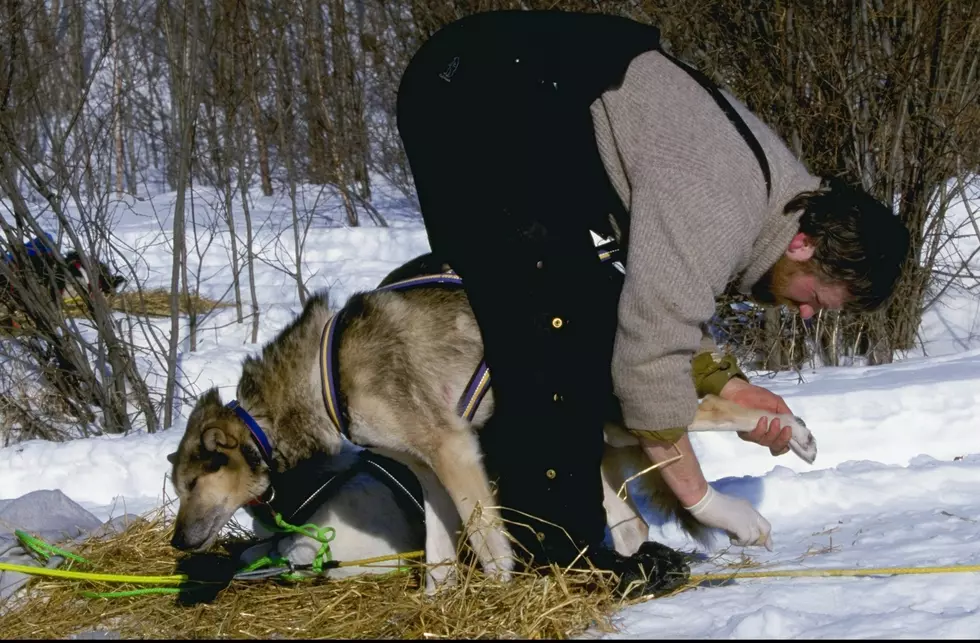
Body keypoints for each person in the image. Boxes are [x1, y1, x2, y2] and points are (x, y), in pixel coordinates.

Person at [393, 9, 911, 594]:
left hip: (510, 92)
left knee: (574, 306)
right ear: (802, 243)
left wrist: (728, 385)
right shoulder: (721, 201)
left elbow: (661, 292)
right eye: (817, 297)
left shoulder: (775, 195)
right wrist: (702, 497)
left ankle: (549, 537)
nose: (808, 313)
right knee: (548, 320)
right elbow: (651, 349)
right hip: (475, 89)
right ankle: (559, 562)